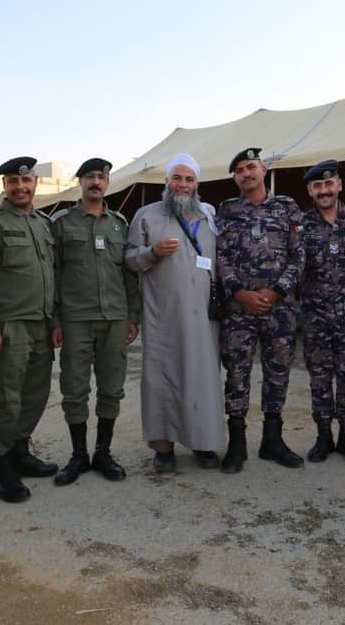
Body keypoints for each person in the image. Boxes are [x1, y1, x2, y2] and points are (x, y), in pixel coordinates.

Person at [125, 154, 226, 472]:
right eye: (177, 178)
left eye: (189, 179)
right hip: (163, 316)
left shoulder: (209, 217)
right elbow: (129, 259)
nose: (183, 185)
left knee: (202, 378)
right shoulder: (146, 215)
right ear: (166, 181)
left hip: (204, 317)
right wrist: (152, 252)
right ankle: (163, 448)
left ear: (197, 184)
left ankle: (203, 442)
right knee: (162, 378)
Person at [50, 158, 140, 485]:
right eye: (89, 176)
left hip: (115, 318)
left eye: (101, 177)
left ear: (108, 182)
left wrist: (133, 315)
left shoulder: (119, 223)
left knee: (111, 388)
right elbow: (54, 274)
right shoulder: (61, 223)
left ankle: (103, 452)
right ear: (80, 182)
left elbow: (129, 273)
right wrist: (55, 319)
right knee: (74, 389)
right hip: (76, 318)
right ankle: (78, 455)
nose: (96, 182)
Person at [216, 147, 306, 473]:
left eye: (250, 167)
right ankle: (237, 445)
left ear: (263, 170)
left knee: (277, 373)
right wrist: (240, 293)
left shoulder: (287, 208)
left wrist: (275, 290)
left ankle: (272, 441)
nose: (245, 174)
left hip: (279, 308)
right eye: (239, 170)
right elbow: (220, 257)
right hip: (239, 310)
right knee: (237, 374)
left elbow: (299, 257)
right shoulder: (226, 210)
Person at [0, 156, 59, 504]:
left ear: (35, 184)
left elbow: (52, 275)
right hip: (10, 326)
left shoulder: (44, 224)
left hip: (42, 323)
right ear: (5, 187)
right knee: (7, 400)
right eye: (13, 181)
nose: (21, 187)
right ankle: (1, 468)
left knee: (36, 395)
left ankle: (20, 451)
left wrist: (55, 321)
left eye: (26, 181)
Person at [299, 160, 345, 463]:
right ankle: (323, 435)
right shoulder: (302, 226)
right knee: (319, 377)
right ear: (310, 191)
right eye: (317, 186)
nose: (324, 190)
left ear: (339, 185)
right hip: (316, 317)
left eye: (329, 184)